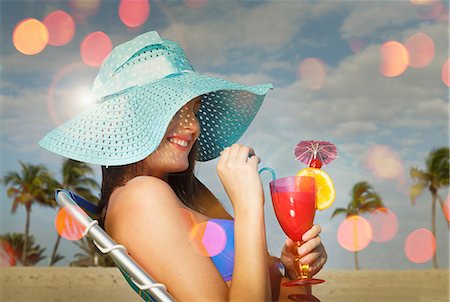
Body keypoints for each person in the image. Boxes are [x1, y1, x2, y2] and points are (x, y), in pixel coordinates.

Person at [40, 31, 327, 301]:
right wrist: (249, 206)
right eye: (174, 110)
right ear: (128, 120)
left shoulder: (177, 194)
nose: (193, 126)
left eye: (194, 109)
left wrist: (288, 272)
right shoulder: (142, 196)